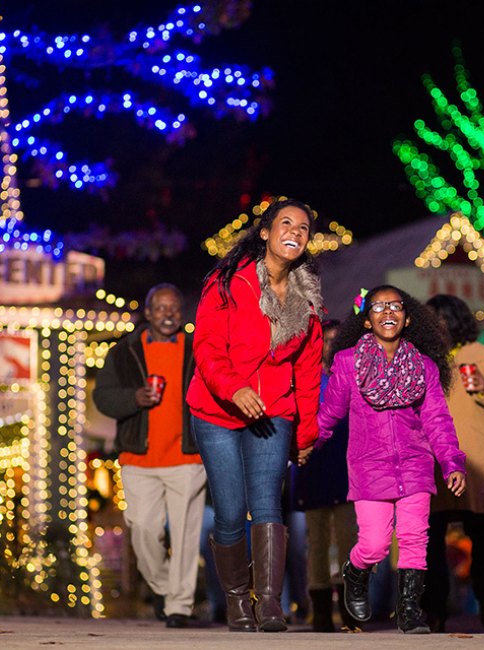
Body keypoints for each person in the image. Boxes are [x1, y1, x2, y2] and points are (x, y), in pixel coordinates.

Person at [186, 198, 324, 633]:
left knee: (267, 504)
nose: (295, 231)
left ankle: (268, 604)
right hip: (216, 410)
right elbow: (206, 347)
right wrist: (234, 388)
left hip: (275, 412)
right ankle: (235, 602)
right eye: (286, 223)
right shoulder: (228, 282)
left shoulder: (308, 302)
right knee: (229, 511)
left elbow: (307, 373)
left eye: (303, 228)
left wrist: (306, 434)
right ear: (265, 232)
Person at [316, 285, 467, 634]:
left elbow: (437, 421)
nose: (388, 312)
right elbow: (330, 414)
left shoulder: (425, 367)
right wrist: (306, 444)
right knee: (374, 544)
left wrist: (452, 463)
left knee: (415, 537)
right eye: (379, 307)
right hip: (369, 467)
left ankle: (410, 610)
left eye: (395, 306)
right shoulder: (347, 362)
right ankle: (355, 572)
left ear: (407, 317)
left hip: (415, 464)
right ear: (367, 321)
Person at [93, 283, 206, 629]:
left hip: (188, 457)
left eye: (174, 308)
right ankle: (163, 587)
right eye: (160, 308)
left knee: (187, 534)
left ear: (181, 313)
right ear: (148, 313)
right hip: (138, 458)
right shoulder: (124, 351)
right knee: (143, 530)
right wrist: (133, 399)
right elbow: (103, 398)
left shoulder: (198, 350)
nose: (168, 314)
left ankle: (180, 606)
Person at [422, 294, 484, 632]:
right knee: (428, 541)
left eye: (444, 320)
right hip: (433, 464)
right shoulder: (420, 359)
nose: (439, 327)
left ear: (458, 321)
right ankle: (434, 609)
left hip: (477, 464)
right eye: (432, 321)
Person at [290, 319, 358, 632]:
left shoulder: (354, 377)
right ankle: (318, 612)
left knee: (349, 540)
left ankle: (349, 609)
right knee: (315, 541)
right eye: (325, 340)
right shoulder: (304, 378)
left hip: (348, 470)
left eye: (335, 340)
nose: (330, 346)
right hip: (312, 466)